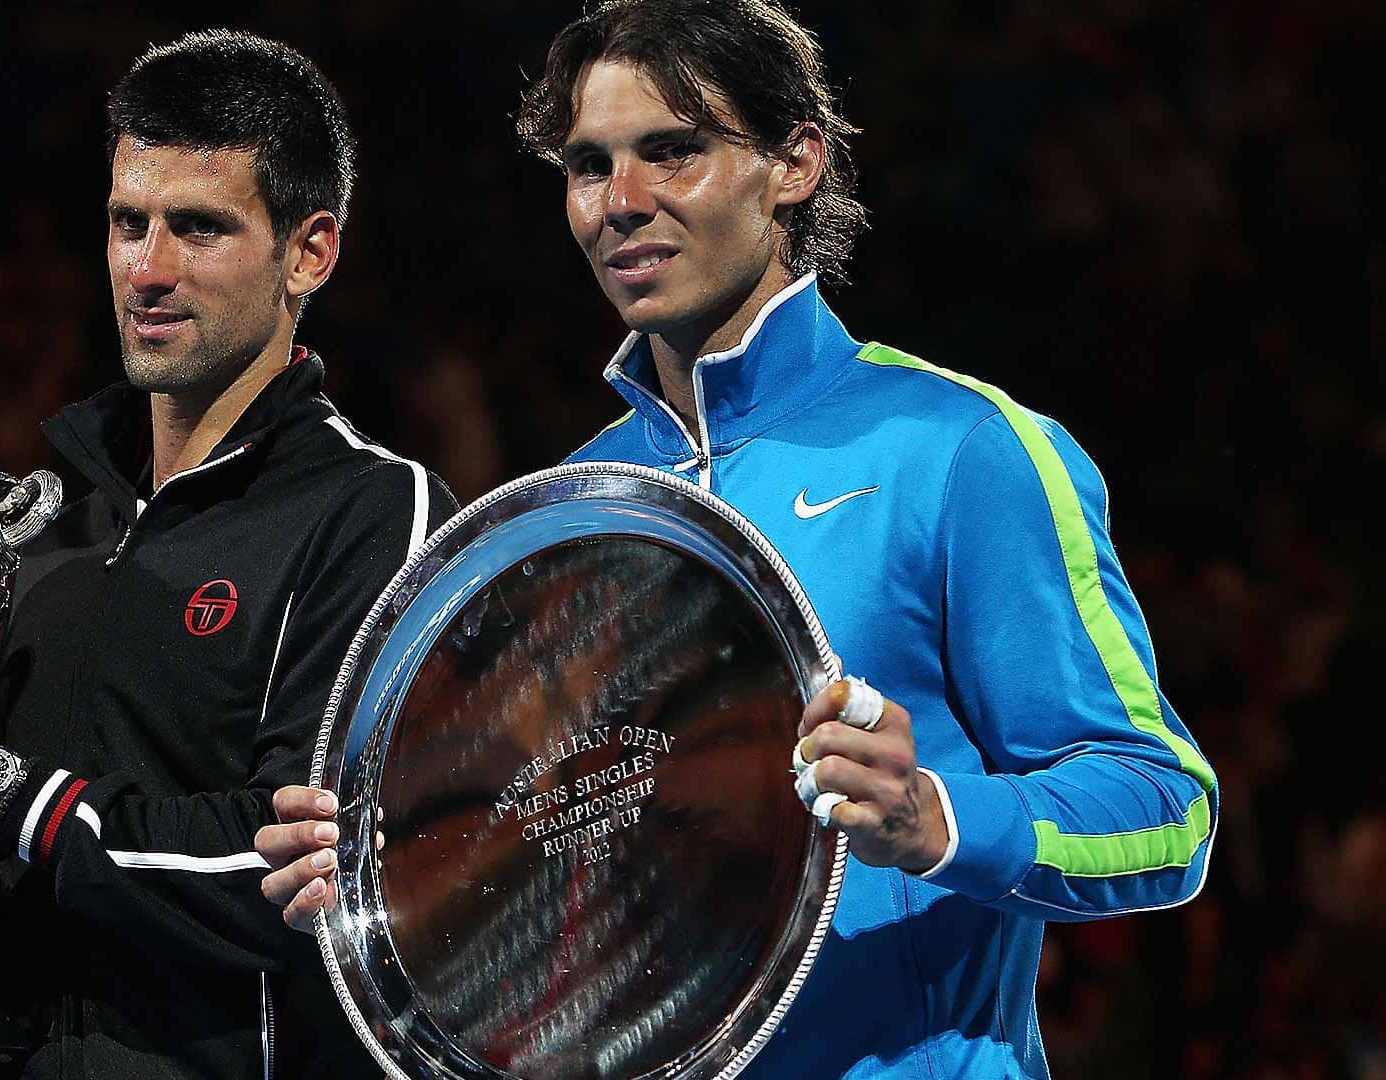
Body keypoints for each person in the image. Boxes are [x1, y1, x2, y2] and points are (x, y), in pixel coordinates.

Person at [255, 2, 1218, 1076]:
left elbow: (1168, 811)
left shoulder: (958, 448)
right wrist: (393, 881)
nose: (621, 204)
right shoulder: (574, 506)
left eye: (674, 151)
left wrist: (937, 817)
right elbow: (568, 871)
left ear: (795, 162)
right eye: (588, 166)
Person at [0, 30, 456, 1080]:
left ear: (310, 252)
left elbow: (303, 878)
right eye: (127, 223)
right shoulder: (37, 526)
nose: (147, 269)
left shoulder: (375, 510)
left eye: (199, 227)